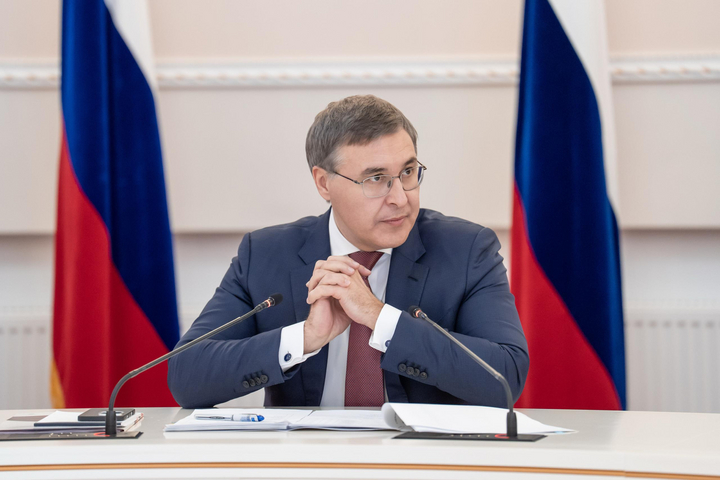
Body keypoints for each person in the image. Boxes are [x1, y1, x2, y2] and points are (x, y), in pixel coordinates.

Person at [168, 95, 528, 409]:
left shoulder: (466, 251)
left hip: (420, 456)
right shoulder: (265, 255)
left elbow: (505, 377)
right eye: (376, 179)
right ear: (324, 183)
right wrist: (305, 338)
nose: (400, 198)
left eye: (407, 172)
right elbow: (187, 375)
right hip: (306, 458)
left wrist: (378, 317)